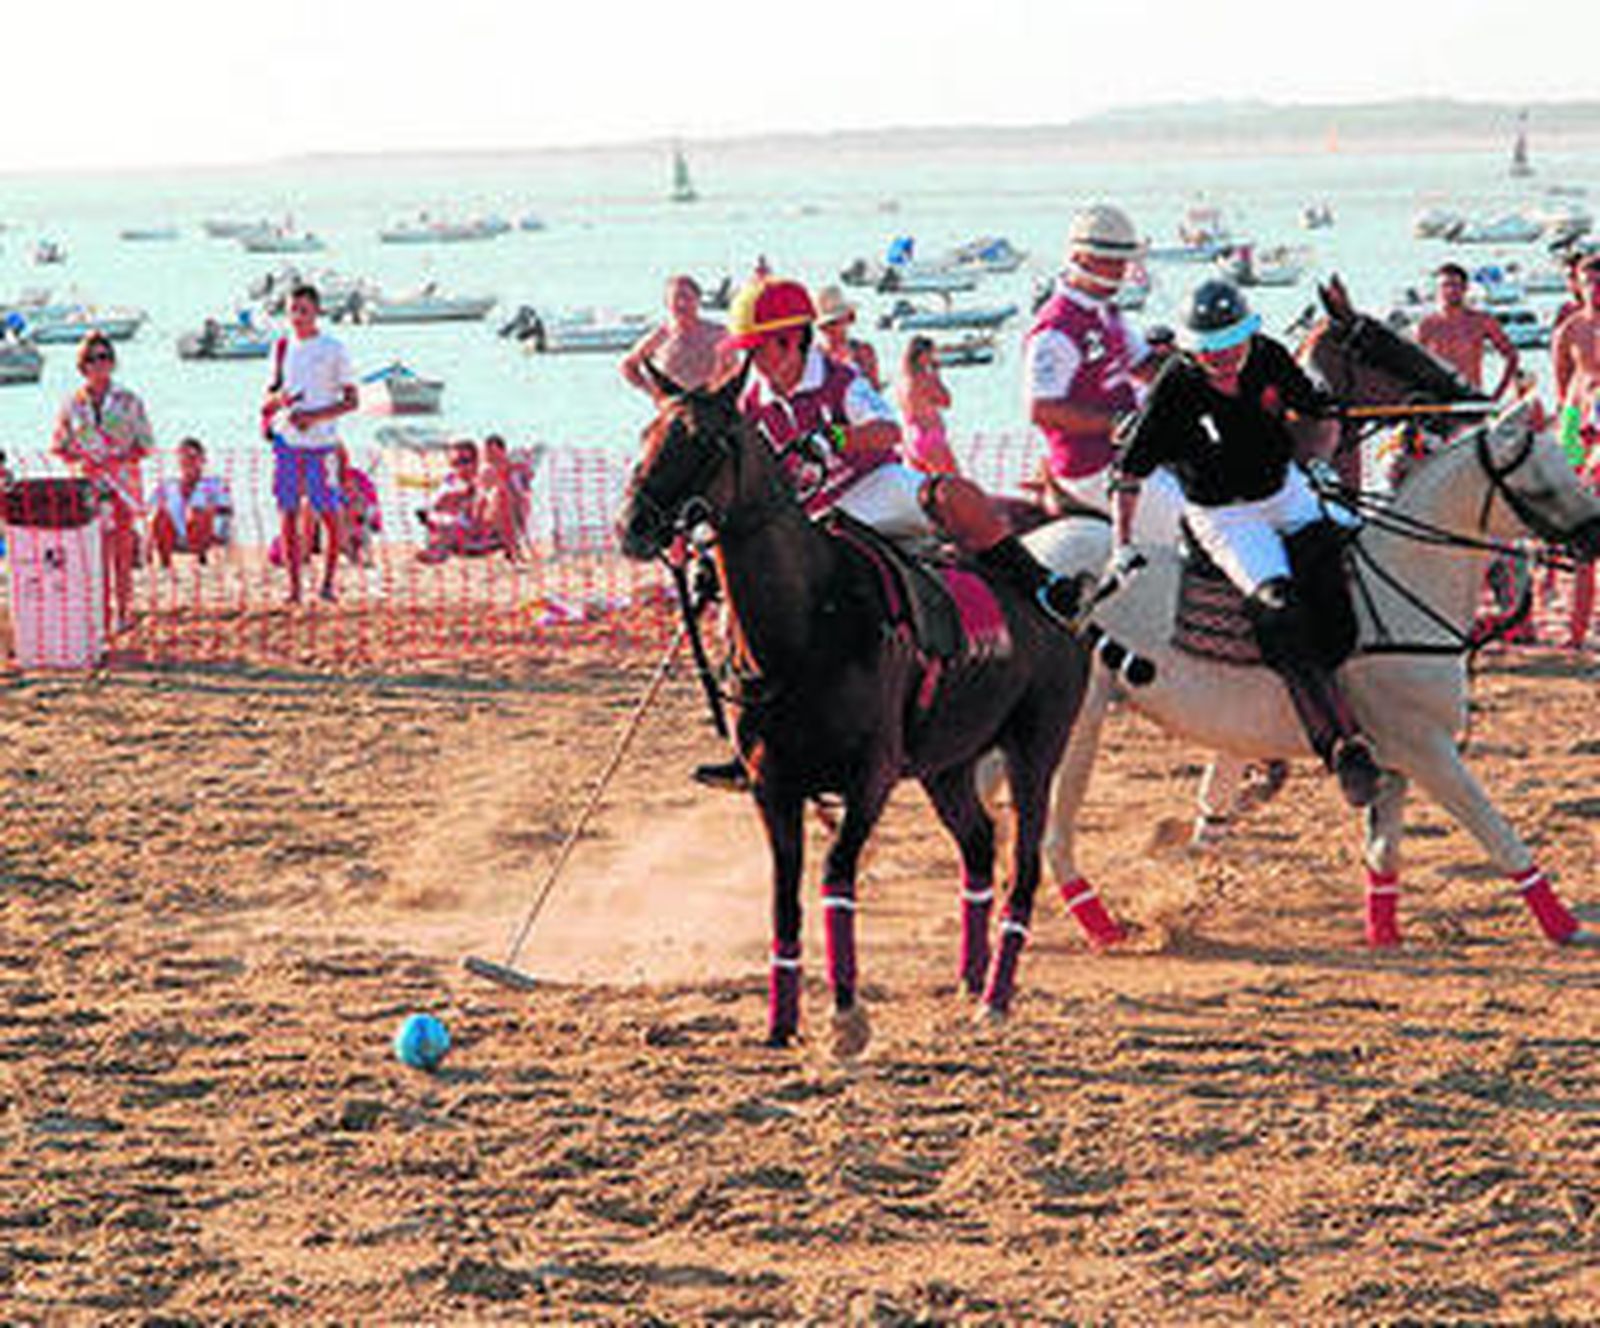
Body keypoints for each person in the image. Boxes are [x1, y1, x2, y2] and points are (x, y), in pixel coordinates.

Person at [686, 276, 1083, 790]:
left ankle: (1039, 584)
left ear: (790, 342)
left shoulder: (838, 379)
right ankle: (747, 747)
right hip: (805, 519)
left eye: (756, 350)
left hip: (868, 489)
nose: (750, 362)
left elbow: (887, 432)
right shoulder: (750, 401)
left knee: (955, 497)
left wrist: (829, 437)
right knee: (733, 626)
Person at [1114, 279, 1382, 808]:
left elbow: (1313, 408)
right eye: (1211, 351)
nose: (1224, 360)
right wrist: (1121, 545)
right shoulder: (1176, 387)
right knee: (1278, 608)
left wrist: (1327, 435)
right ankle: (1339, 744)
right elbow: (1130, 470)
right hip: (1227, 516)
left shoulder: (1269, 356)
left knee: (1342, 559)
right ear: (1193, 348)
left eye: (1233, 347)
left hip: (1286, 492)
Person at [1023, 204, 1182, 538]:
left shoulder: (1107, 312)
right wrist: (1115, 423)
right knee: (1197, 518)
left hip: (1130, 449)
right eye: (1113, 262)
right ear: (1082, 259)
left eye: (1125, 262)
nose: (1123, 271)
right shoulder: (1057, 329)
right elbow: (1042, 409)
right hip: (1092, 467)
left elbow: (1144, 366)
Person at [51, 331, 153, 633]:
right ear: (83, 365)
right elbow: (58, 446)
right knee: (94, 555)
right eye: (94, 358)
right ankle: (99, 615)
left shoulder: (129, 401)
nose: (101, 364)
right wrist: (82, 461)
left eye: (106, 357)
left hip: (121, 485)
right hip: (87, 487)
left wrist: (117, 460)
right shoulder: (72, 404)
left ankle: (123, 612)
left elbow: (145, 444)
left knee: (122, 551)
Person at [261, 284, 356, 603]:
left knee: (327, 511)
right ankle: (294, 588)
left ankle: (328, 583)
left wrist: (314, 416)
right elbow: (270, 394)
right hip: (287, 439)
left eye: (304, 310)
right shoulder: (283, 346)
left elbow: (352, 400)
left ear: (316, 311)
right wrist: (279, 400)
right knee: (286, 512)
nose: (298, 316)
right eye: (293, 310)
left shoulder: (333, 348)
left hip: (321, 443)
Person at [1550, 253, 1600, 649]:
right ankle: (1576, 631)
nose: (1594, 289)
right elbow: (1562, 385)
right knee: (1578, 526)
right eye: (1588, 282)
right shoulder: (1569, 328)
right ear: (1577, 285)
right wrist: (1567, 433)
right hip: (1576, 426)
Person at [1415, 262, 1521, 400]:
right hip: (1438, 401)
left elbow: (1512, 356)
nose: (1450, 291)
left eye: (1455, 285)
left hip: (1471, 398)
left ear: (1465, 288)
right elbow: (1414, 366)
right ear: (1437, 290)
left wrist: (1498, 394)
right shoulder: (1426, 325)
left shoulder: (1481, 321)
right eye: (1445, 286)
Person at [619, 275, 730, 399]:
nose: (681, 303)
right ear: (667, 303)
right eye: (676, 298)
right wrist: (654, 392)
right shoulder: (660, 336)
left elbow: (734, 369)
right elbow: (627, 366)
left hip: (714, 403)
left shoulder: (718, 333)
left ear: (698, 300)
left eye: (687, 297)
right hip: (677, 405)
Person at [150, 438, 231, 567]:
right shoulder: (168, 485)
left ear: (202, 460)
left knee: (200, 511)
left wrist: (210, 514)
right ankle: (164, 561)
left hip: (204, 532)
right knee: (161, 514)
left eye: (192, 456)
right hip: (175, 533)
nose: (187, 461)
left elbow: (226, 510)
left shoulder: (214, 483)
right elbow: (148, 509)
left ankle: (201, 555)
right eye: (182, 456)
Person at [895, 335, 957, 475]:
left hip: (911, 438)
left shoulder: (902, 379)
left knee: (922, 489)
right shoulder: (924, 379)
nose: (934, 358)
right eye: (932, 353)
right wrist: (936, 375)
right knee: (953, 484)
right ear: (923, 356)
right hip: (930, 436)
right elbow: (946, 401)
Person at [815, 286, 884, 390]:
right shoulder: (815, 355)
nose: (837, 328)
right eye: (831, 323)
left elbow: (874, 391)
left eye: (840, 321)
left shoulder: (863, 351)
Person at [480, 433, 532, 557]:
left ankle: (515, 543)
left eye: (492, 451)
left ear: (502, 451)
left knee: (508, 496)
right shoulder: (486, 472)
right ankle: (512, 544)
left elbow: (524, 492)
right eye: (487, 452)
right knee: (501, 494)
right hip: (491, 515)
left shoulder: (515, 470)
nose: (488, 455)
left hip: (511, 512)